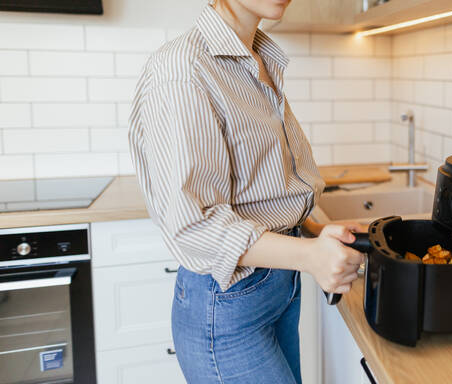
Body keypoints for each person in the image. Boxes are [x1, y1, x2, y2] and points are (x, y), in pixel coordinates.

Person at [128, 0, 365, 383]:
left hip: (277, 285)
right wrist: (310, 255)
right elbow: (194, 225)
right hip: (227, 299)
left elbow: (264, 190)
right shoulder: (183, 68)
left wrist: (316, 236)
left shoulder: (257, 57)